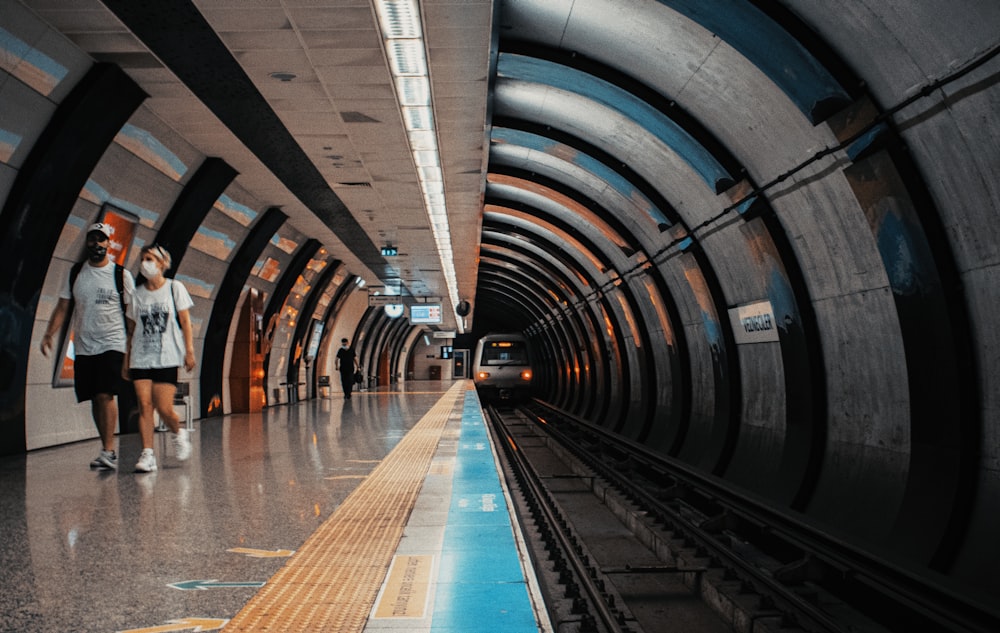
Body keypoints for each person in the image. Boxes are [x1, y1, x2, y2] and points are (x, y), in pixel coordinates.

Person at [40, 222, 136, 470]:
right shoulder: (76, 273)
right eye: (93, 239)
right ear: (87, 243)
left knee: (106, 394)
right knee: (94, 397)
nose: (97, 244)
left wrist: (132, 345)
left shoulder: (120, 275)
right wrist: (49, 334)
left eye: (101, 240)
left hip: (112, 342)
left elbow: (132, 314)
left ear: (108, 244)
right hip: (84, 345)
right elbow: (63, 306)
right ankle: (105, 449)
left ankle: (109, 451)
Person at [124, 244, 195, 473]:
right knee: (144, 405)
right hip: (141, 356)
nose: (146, 263)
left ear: (163, 263)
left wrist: (189, 350)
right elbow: (132, 329)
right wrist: (127, 359)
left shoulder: (175, 288)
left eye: (151, 259)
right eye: (144, 258)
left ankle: (178, 432)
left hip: (167, 356)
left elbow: (185, 322)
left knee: (164, 409)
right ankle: (148, 454)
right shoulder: (137, 294)